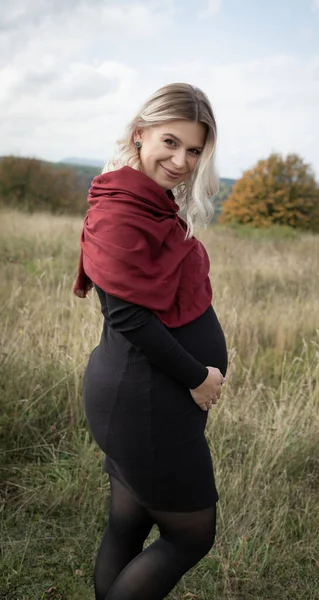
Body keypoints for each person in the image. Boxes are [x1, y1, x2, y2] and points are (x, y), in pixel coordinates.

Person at [73, 82, 229, 600]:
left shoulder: (151, 202)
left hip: (138, 395)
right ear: (139, 135)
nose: (182, 160)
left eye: (193, 150)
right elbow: (129, 318)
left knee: (128, 522)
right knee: (189, 535)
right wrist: (197, 377)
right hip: (146, 398)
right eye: (170, 142)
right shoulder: (119, 211)